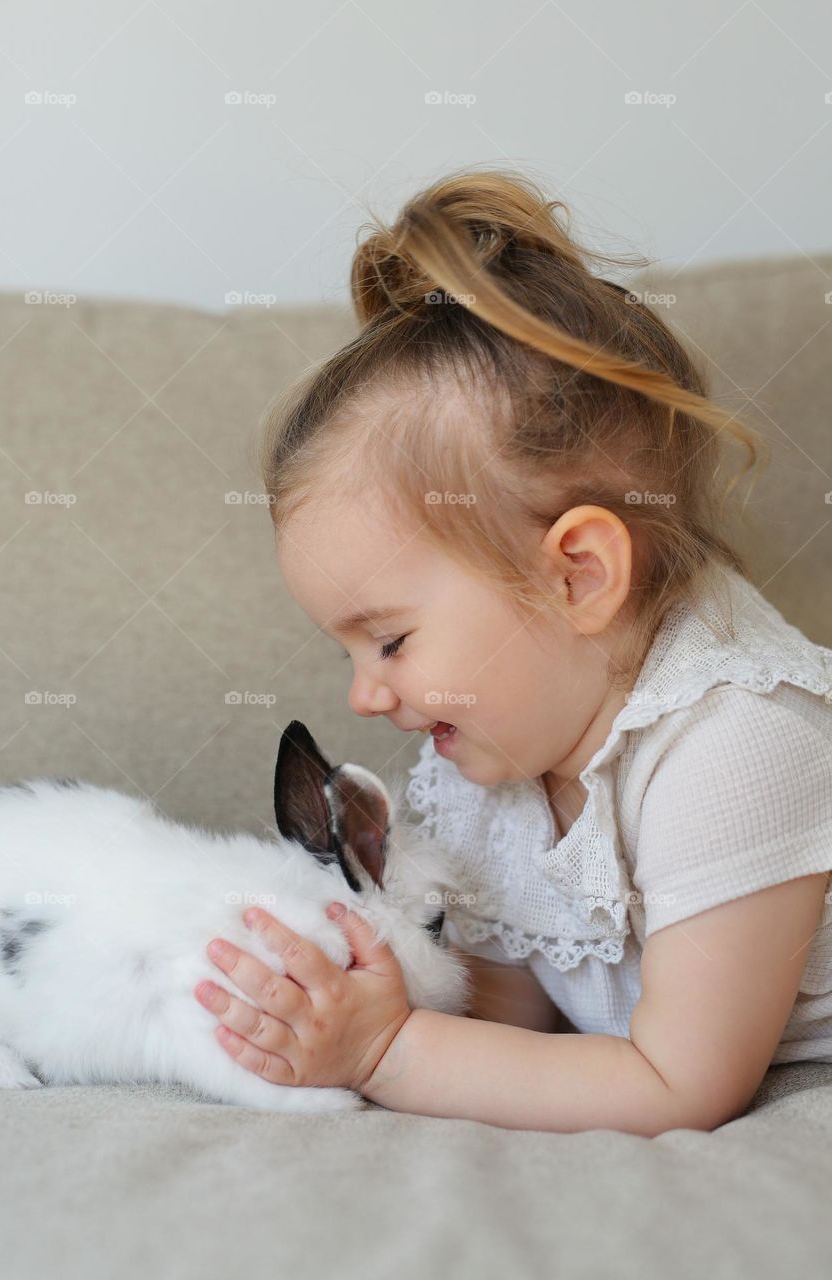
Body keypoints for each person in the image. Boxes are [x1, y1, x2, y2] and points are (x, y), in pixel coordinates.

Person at [194, 166, 832, 1134]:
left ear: (575, 575)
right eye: (349, 655)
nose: (366, 695)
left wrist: (385, 1049)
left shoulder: (739, 741)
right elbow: (513, 1023)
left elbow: (681, 1081)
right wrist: (346, 1005)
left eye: (390, 639)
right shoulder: (496, 756)